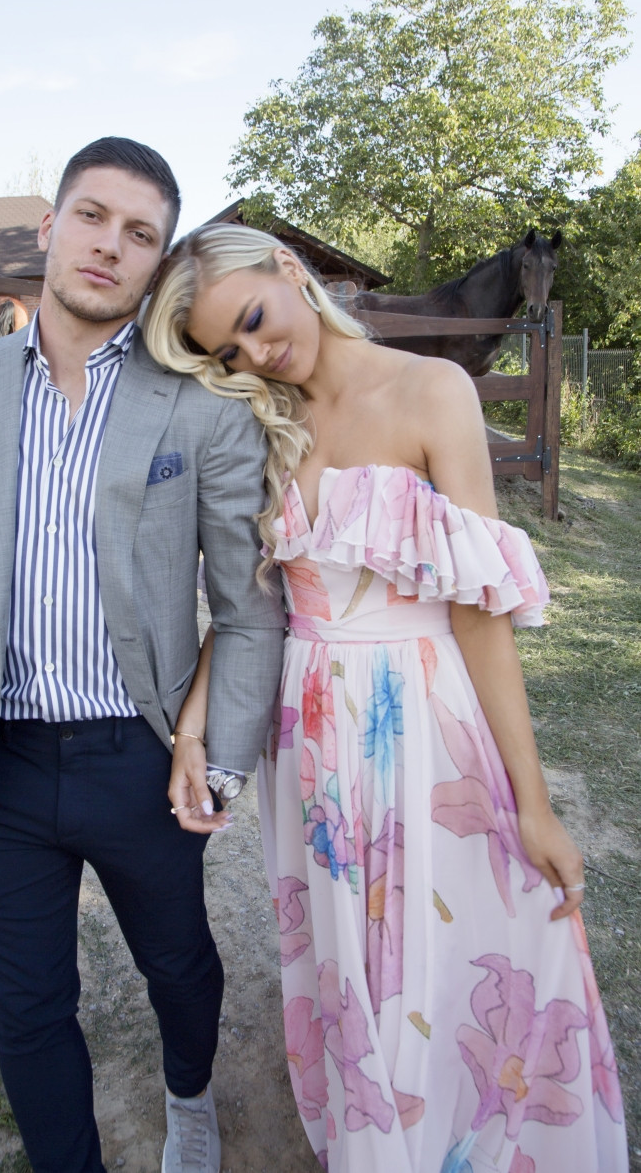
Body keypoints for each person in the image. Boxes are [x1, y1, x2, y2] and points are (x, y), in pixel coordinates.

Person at [143, 223, 628, 1173]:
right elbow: (247, 605)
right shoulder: (257, 423)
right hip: (308, 741)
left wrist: (534, 803)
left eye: (253, 320)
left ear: (290, 270)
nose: (254, 355)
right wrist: (192, 729)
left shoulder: (433, 390)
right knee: (351, 965)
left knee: (449, 958)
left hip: (424, 723)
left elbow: (480, 613)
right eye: (227, 352)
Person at [0, 144, 285, 1173]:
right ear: (51, 225)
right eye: (92, 216)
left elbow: (248, 608)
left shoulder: (202, 406)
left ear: (159, 261)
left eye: (140, 233)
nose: (110, 245)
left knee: (179, 965)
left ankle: (190, 1098)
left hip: (141, 756)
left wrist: (221, 760)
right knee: (29, 1008)